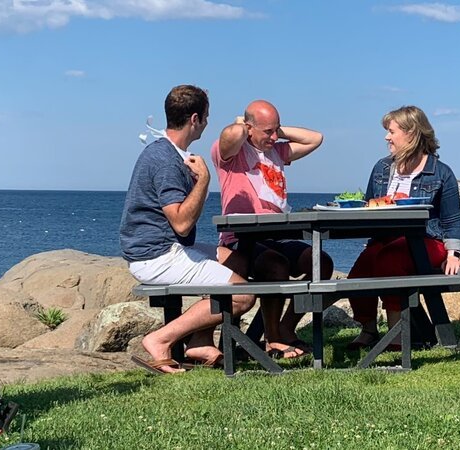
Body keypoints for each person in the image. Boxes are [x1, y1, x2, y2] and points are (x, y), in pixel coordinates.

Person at [120, 85, 255, 374]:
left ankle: (200, 342)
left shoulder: (164, 152)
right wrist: (204, 181)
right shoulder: (168, 161)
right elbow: (181, 222)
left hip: (163, 246)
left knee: (236, 259)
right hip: (157, 255)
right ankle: (160, 340)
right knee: (244, 295)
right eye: (206, 117)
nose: (207, 123)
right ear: (195, 119)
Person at [211, 100, 333, 359]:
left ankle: (286, 328)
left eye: (276, 130)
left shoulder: (277, 151)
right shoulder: (232, 154)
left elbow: (316, 139)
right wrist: (244, 127)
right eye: (268, 131)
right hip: (239, 239)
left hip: (277, 235)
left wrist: (275, 130)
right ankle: (273, 338)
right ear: (248, 128)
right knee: (275, 265)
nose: (274, 137)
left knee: (320, 262)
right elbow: (229, 136)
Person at [346, 105, 460, 351]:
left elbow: (452, 219)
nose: (386, 137)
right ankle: (369, 330)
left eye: (391, 131)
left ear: (411, 133)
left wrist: (453, 253)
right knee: (359, 272)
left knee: (390, 261)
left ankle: (397, 337)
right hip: (385, 238)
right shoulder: (381, 168)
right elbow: (369, 205)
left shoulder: (440, 172)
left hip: (427, 241)